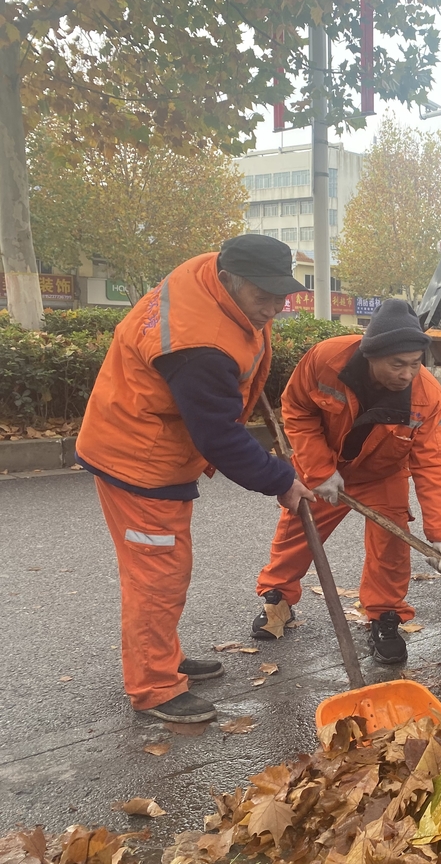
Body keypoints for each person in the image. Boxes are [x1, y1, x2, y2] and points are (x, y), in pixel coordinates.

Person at [75, 235, 314, 724]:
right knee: (157, 575)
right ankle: (155, 685)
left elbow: (228, 381)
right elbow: (219, 438)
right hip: (138, 456)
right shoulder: (199, 345)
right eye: (261, 296)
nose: (272, 308)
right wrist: (281, 479)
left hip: (147, 438)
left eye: (280, 296)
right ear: (228, 280)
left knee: (163, 568)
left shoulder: (209, 274)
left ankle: (159, 655)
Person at [251, 299, 441, 667]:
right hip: (325, 463)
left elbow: (433, 465)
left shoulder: (427, 397)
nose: (407, 373)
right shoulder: (326, 359)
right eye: (398, 364)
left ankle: (385, 616)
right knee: (299, 528)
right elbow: (296, 408)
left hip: (383, 473)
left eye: (415, 363)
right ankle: (277, 598)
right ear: (370, 355)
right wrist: (319, 471)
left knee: (391, 544)